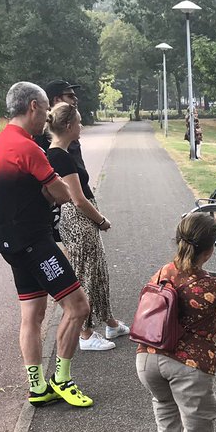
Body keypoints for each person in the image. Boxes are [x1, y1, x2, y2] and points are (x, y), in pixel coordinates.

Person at [0, 81, 93, 408]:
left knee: (31, 313)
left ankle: (37, 387)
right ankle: (62, 379)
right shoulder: (28, 147)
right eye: (45, 109)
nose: (47, 116)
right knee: (78, 307)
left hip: (9, 242)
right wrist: (50, 192)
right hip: (35, 241)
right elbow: (63, 193)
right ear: (33, 106)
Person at [135, 211, 216, 432]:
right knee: (197, 411)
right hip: (189, 362)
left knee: (163, 401)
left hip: (148, 356)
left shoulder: (162, 272)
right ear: (209, 251)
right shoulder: (214, 285)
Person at [45, 102, 129, 352]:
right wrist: (101, 220)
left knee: (98, 271)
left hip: (77, 219)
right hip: (79, 219)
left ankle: (110, 322)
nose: (81, 126)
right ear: (69, 126)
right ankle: (86, 333)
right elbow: (78, 199)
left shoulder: (58, 153)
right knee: (87, 274)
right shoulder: (61, 156)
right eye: (79, 122)